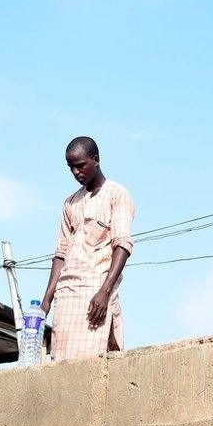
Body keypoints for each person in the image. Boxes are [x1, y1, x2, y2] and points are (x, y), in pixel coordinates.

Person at [41, 137, 135, 361]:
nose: (75, 172)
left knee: (93, 363)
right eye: (70, 167)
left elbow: (122, 244)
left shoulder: (117, 194)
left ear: (96, 160)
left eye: (80, 165)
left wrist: (104, 291)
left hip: (95, 294)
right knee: (61, 364)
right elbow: (61, 254)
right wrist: (46, 301)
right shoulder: (70, 203)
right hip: (66, 296)